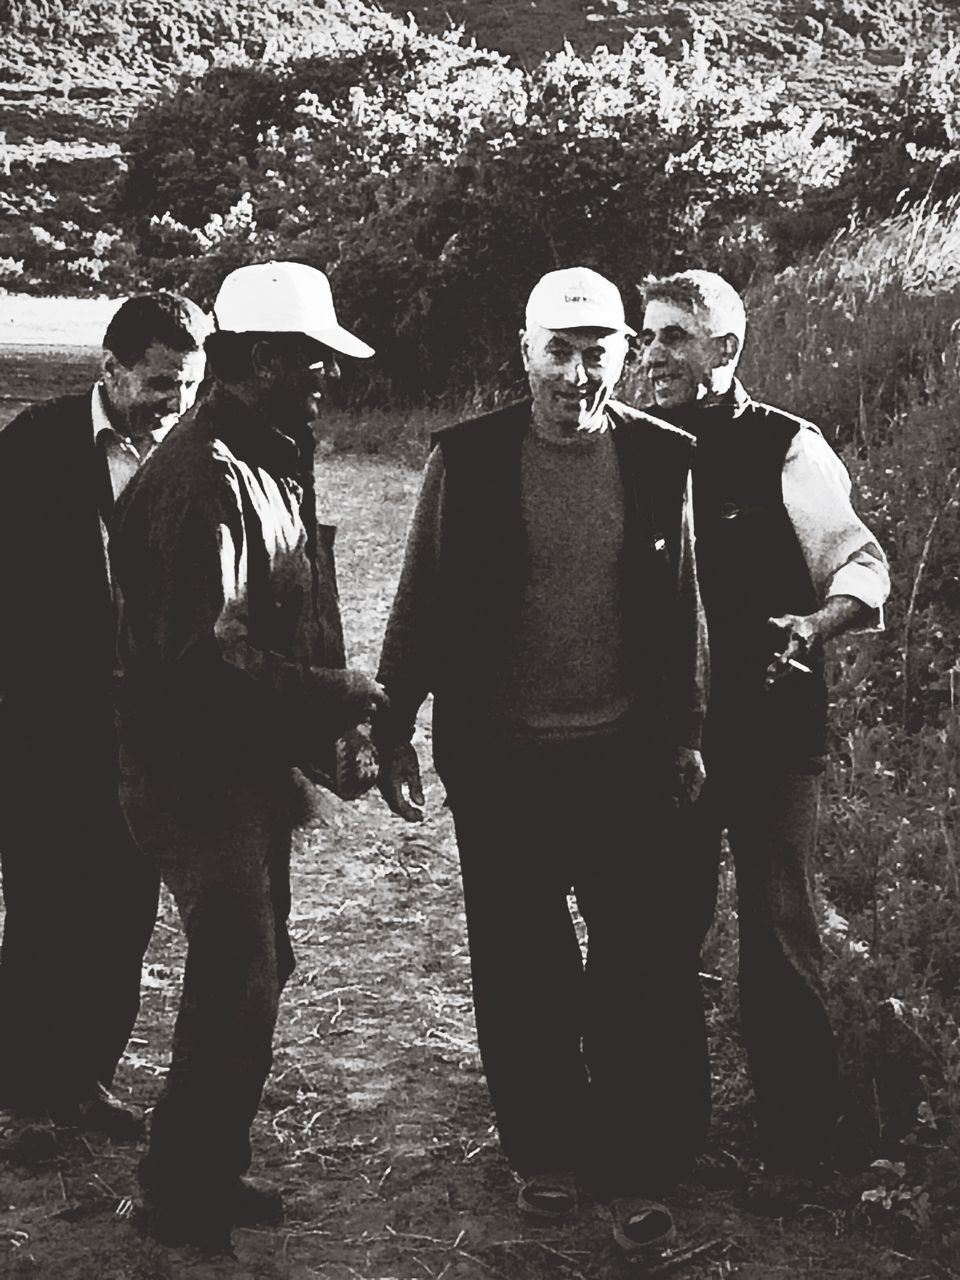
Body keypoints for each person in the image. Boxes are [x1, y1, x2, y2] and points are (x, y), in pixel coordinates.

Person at [374, 267, 710, 1259]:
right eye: (558, 349)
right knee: (522, 963)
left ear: (628, 352)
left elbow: (684, 603)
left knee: (638, 963)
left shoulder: (662, 457)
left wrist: (689, 730)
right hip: (503, 758)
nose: (578, 369)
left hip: (624, 755)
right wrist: (394, 727)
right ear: (523, 353)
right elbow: (419, 601)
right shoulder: (466, 460)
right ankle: (545, 1151)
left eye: (598, 347)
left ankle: (639, 1160)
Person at [109, 261, 387, 1254]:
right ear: (263, 358)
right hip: (192, 772)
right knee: (242, 969)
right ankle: (179, 1197)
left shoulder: (266, 451)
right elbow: (208, 662)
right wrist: (337, 693)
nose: (327, 376)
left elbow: (289, 612)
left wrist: (336, 737)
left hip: (239, 768)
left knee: (256, 966)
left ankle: (199, 1169)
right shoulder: (208, 478)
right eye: (313, 359)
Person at [636, 268, 891, 1209]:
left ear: (725, 349)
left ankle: (801, 1149)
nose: (650, 354)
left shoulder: (788, 447)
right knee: (664, 931)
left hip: (773, 733)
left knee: (779, 936)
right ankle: (670, 1139)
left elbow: (861, 568)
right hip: (672, 742)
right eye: (646, 335)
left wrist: (814, 626)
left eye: (671, 337)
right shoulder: (636, 446)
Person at [0, 291, 210, 1146]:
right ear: (109, 368)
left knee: (124, 913)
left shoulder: (200, 452)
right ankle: (20, 1099)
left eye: (191, 385)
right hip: (45, 725)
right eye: (161, 384)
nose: (177, 403)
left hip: (151, 731)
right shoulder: (28, 448)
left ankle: (85, 1083)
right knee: (48, 907)